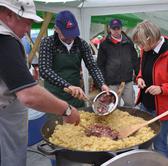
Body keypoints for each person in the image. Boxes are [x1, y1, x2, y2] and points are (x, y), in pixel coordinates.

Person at [0, 1, 80, 166]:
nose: (28, 30)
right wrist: (67, 110)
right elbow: (29, 95)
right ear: (8, 15)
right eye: (27, 23)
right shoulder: (4, 40)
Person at [132, 20, 168, 159]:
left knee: (159, 144)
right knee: (143, 140)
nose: (140, 47)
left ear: (150, 39)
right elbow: (143, 70)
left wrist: (161, 89)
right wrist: (139, 78)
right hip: (145, 103)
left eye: (141, 43)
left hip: (162, 109)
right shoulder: (145, 49)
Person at [39, 10, 109, 108]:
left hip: (76, 96)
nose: (70, 37)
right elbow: (44, 70)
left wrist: (102, 84)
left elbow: (92, 67)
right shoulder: (47, 43)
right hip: (53, 96)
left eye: (72, 33)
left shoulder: (82, 44)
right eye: (66, 34)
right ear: (56, 29)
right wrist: (67, 85)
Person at [97, 18, 139, 107]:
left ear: (121, 28)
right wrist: (103, 81)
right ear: (110, 29)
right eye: (113, 29)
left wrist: (138, 75)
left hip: (127, 80)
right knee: (113, 106)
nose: (116, 31)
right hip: (112, 82)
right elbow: (100, 64)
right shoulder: (104, 44)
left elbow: (135, 59)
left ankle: (129, 121)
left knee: (130, 104)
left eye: (118, 28)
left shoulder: (128, 42)